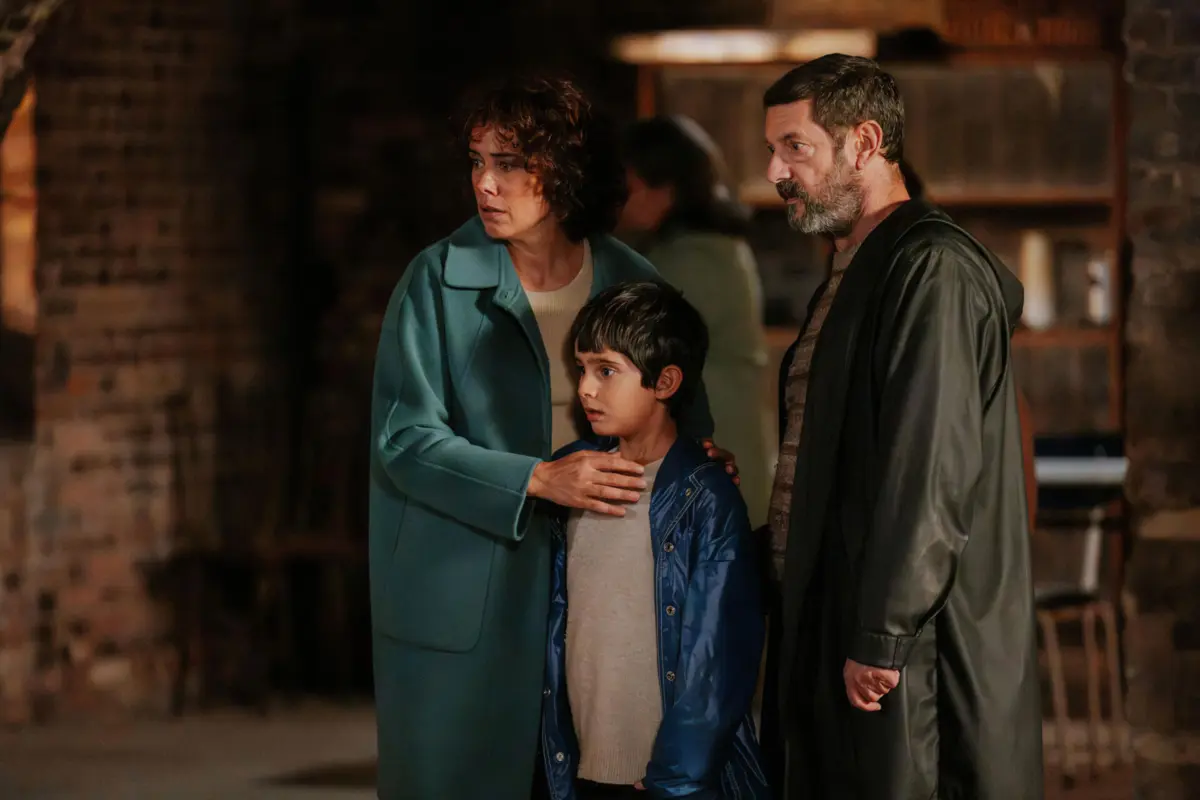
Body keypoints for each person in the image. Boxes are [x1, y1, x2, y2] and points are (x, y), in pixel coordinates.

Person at [368, 76, 737, 800]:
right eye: (477, 162)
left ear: (564, 169)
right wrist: (536, 479)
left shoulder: (631, 279)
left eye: (508, 163)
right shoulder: (435, 281)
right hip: (471, 589)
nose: (485, 183)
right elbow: (403, 440)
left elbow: (683, 418)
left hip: (608, 584)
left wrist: (700, 463)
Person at [760, 54, 1043, 799]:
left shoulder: (931, 269)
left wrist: (883, 632)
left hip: (908, 654)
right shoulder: (857, 266)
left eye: (795, 147)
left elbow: (929, 464)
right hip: (845, 624)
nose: (775, 172)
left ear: (864, 143)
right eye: (773, 149)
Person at [540, 281, 770, 800]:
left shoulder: (706, 497)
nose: (585, 389)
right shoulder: (571, 477)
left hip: (664, 779)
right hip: (577, 768)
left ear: (664, 381)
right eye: (581, 369)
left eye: (606, 370)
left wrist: (676, 774)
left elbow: (717, 658)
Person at [619, 116, 775, 530]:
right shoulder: (710, 250)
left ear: (664, 189)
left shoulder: (693, 260)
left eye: (627, 188)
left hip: (713, 472)